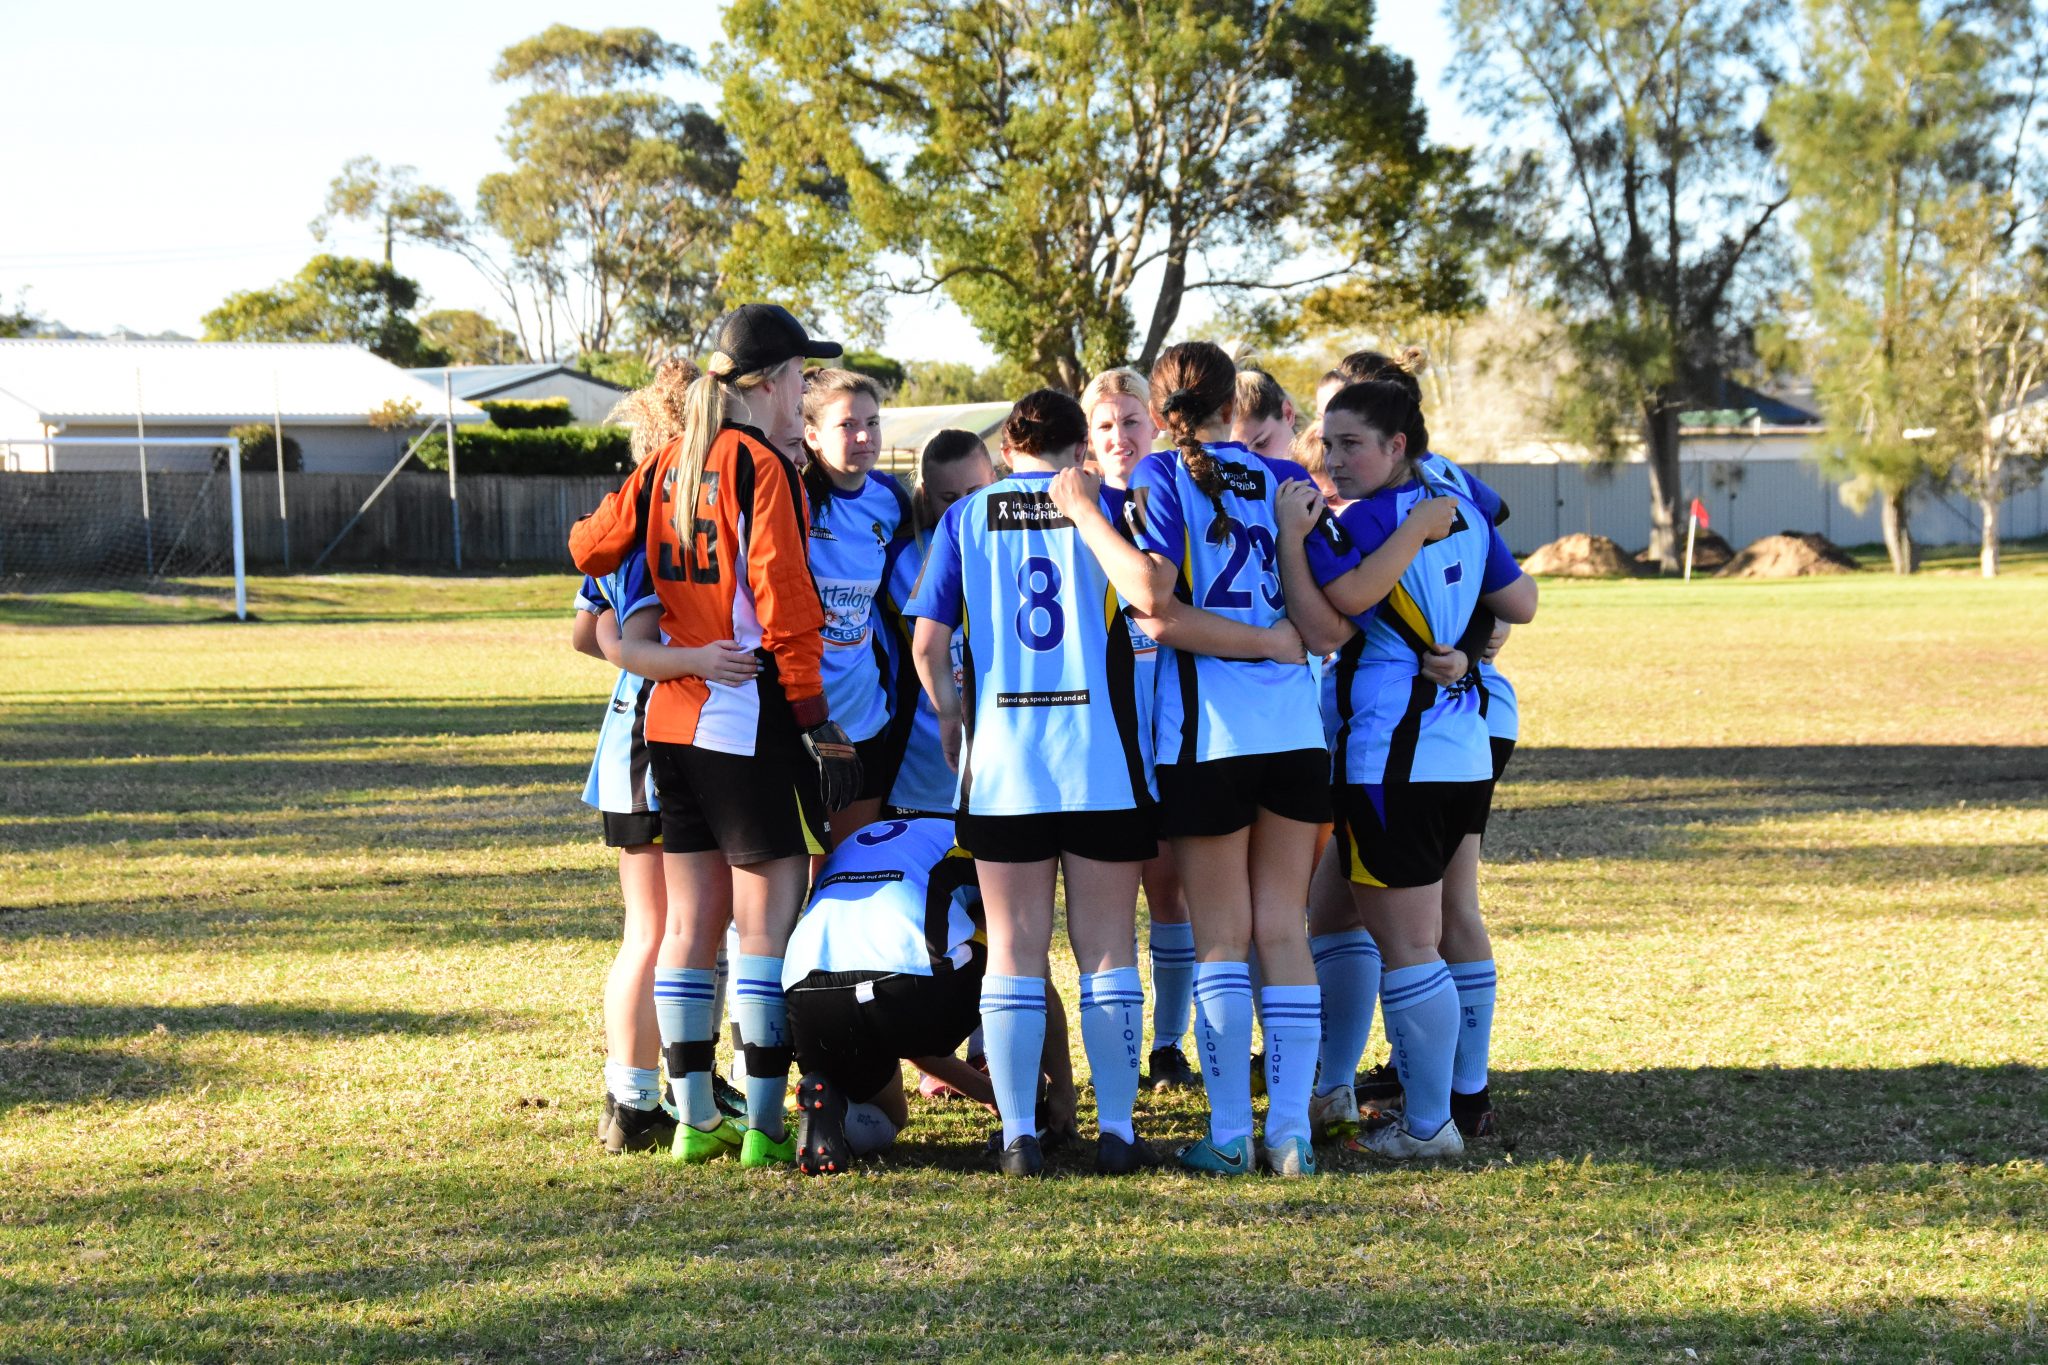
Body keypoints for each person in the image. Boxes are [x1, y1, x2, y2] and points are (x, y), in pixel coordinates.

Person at [908, 390, 1301, 1177]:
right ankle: (1116, 1130)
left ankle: (1019, 1134)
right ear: (1077, 445)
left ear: (1009, 446)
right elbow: (1156, 604)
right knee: (1108, 951)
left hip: (1007, 766)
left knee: (1014, 950)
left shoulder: (967, 517)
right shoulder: (1110, 505)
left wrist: (955, 720)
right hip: (1102, 763)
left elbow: (926, 644)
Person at [570, 303, 862, 1169]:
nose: (804, 391)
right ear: (768, 383)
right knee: (761, 924)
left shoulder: (667, 461)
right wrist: (814, 720)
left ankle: (696, 1119)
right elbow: (786, 607)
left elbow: (588, 547)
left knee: (690, 927)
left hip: (669, 722)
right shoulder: (759, 466)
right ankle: (766, 1125)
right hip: (746, 714)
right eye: (801, 377)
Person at [1053, 341, 1329, 1177]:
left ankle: (1230, 1135)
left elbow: (1159, 606)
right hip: (1297, 733)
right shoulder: (1283, 479)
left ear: (1163, 403)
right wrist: (1280, 646)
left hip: (1211, 738)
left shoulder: (1163, 479)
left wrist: (1090, 515)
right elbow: (1312, 613)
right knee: (1284, 931)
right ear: (1229, 403)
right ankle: (1292, 1135)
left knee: (1221, 939)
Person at [1275, 380, 1537, 1161]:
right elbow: (1521, 602)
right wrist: (1469, 639)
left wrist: (1294, 538)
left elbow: (1337, 605)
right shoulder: (1454, 498)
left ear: (1398, 446)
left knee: (1412, 943)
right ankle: (1343, 1084)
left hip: (1391, 756)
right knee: (1336, 910)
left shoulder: (1369, 522)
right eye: (1327, 441)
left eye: (1352, 442)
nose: (1334, 458)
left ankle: (1430, 1123)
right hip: (1460, 748)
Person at [782, 816, 1075, 1174]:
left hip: (809, 998)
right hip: (909, 989)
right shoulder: (976, 838)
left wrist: (985, 1093)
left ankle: (836, 1109)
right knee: (1016, 958)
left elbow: (907, 1036)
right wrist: (1062, 1086)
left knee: (891, 1115)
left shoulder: (866, 838)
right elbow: (1028, 973)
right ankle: (1031, 1116)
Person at [1080, 366, 1196, 1092]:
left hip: (1177, 720)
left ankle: (1169, 1043)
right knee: (1111, 901)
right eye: (1104, 425)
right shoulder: (1077, 509)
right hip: (1106, 732)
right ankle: (1118, 1049)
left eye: (1131, 421)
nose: (1120, 436)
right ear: (1087, 442)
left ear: (1155, 426)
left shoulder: (1178, 495)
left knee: (1174, 891)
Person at [799, 367, 912, 846]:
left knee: (848, 864)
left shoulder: (890, 500)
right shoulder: (792, 496)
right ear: (813, 436)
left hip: (864, 714)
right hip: (798, 717)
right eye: (847, 425)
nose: (865, 435)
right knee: (784, 878)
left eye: (873, 421)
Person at [1231, 370, 1300, 464]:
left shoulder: (1324, 469)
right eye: (1237, 454)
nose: (1252, 464)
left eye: (1262, 443)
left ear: (1288, 414)